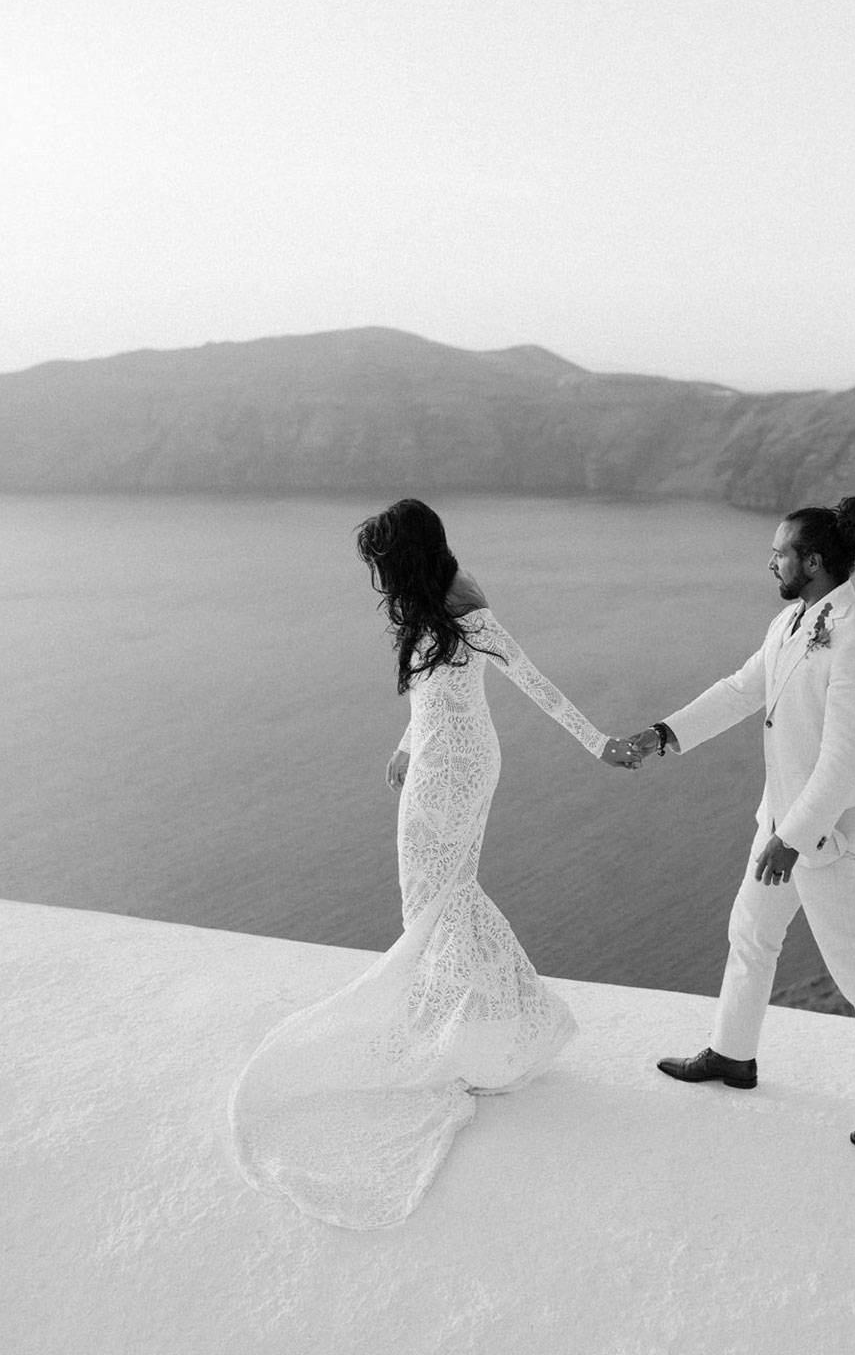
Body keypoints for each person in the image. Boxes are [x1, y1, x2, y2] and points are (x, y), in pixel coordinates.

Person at [229, 499, 639, 1227]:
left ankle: (495, 1026)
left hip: (462, 767)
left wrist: (598, 741)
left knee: (439, 900)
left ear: (409, 554)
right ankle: (469, 1024)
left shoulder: (470, 616)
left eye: (383, 559)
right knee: (430, 901)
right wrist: (405, 744)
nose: (378, 574)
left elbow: (536, 684)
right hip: (432, 762)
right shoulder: (425, 610)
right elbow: (429, 695)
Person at [627, 497, 855, 1158]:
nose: (770, 561)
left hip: (822, 833)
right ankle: (732, 1055)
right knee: (750, 931)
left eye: (779, 552)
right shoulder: (790, 622)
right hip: (782, 820)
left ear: (812, 561)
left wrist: (792, 839)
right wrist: (662, 734)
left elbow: (841, 760)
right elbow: (739, 690)